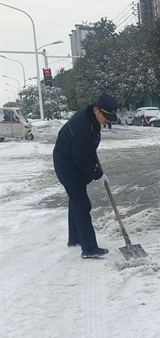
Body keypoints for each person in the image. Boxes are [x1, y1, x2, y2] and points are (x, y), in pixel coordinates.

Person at [53, 94, 119, 259]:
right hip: (67, 166)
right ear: (96, 110)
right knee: (82, 204)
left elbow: (85, 148)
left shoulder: (90, 116)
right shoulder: (83, 127)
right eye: (106, 116)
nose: (108, 120)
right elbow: (80, 159)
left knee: (76, 200)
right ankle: (89, 248)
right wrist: (98, 174)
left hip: (72, 160)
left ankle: (74, 239)